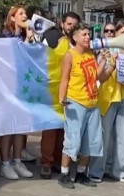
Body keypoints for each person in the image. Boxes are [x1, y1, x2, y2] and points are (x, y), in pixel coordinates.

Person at [57, 23, 110, 189]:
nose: (88, 37)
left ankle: (80, 173)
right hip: (76, 102)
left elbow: (97, 77)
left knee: (90, 142)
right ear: (75, 37)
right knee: (73, 139)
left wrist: (106, 61)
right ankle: (64, 174)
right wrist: (62, 97)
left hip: (92, 102)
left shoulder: (90, 55)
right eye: (84, 34)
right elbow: (64, 79)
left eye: (89, 34)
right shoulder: (70, 55)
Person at [88, 19, 124, 183]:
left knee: (123, 137)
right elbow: (99, 76)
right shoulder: (104, 51)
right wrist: (111, 62)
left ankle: (120, 171)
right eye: (120, 33)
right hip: (107, 98)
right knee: (104, 137)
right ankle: (96, 171)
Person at [40, 12, 80, 179]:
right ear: (62, 24)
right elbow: (40, 57)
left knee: (64, 129)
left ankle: (58, 160)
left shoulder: (78, 41)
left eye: (74, 24)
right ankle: (46, 163)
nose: (71, 27)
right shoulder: (51, 36)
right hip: (52, 90)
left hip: (71, 91)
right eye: (68, 24)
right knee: (50, 129)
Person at [0, 5, 34, 180]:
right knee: (8, 127)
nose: (25, 16)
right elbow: (16, 57)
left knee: (20, 126)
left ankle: (17, 160)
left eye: (25, 14)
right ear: (12, 18)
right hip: (8, 87)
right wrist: (27, 40)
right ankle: (5, 163)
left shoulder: (26, 35)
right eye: (21, 14)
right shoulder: (6, 36)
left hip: (23, 86)